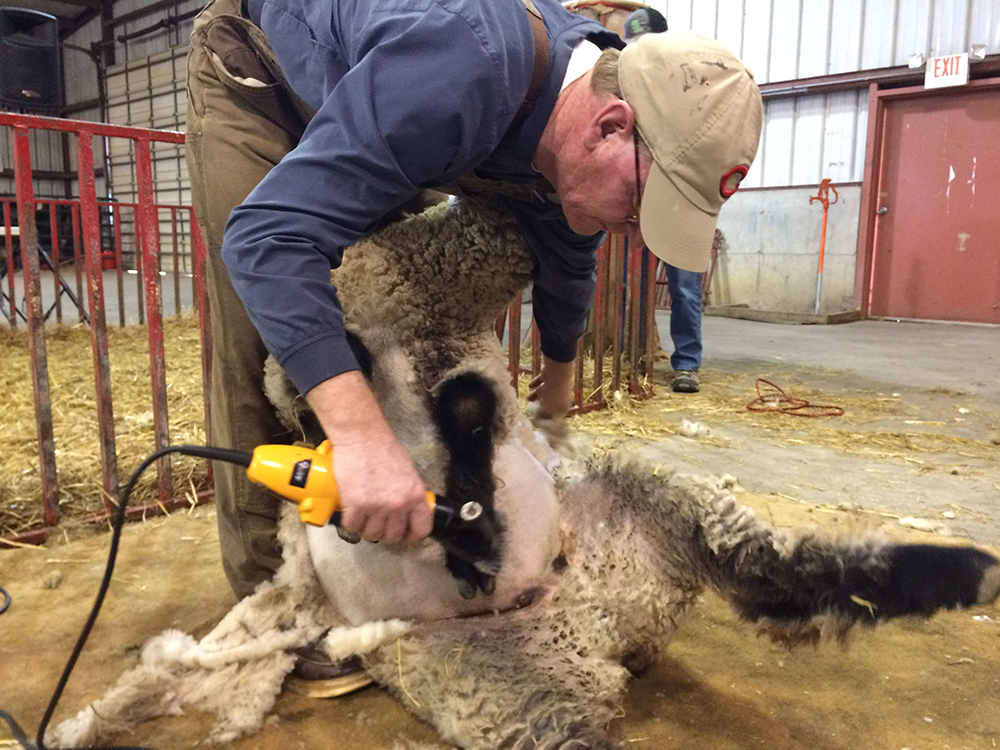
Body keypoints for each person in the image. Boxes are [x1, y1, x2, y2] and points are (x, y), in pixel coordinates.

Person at [185, 0, 762, 693]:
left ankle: (381, 572)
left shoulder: (585, 104)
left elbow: (568, 259)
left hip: (382, 89)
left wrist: (550, 414)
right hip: (264, 72)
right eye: (639, 205)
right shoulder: (458, 73)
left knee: (383, 317)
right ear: (611, 126)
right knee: (275, 333)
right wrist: (363, 439)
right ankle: (275, 607)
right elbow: (268, 242)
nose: (633, 229)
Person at [622, 6, 703, 395]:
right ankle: (629, 355)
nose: (637, 52)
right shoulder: (625, 82)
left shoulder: (690, 79)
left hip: (679, 195)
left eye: (644, 44)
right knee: (623, 279)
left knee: (684, 284)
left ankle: (687, 363)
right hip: (632, 195)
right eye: (631, 46)